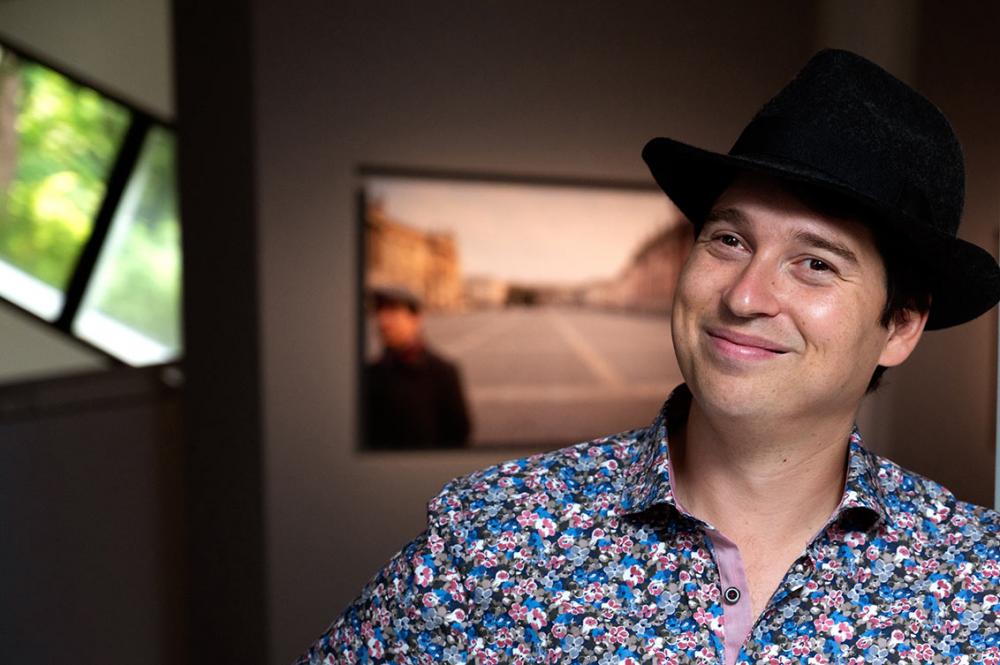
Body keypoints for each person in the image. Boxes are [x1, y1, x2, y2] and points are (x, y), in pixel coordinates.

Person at [300, 49, 1000, 663]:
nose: (746, 294)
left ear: (901, 325)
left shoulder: (979, 581)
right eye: (729, 240)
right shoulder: (489, 540)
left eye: (815, 262)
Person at [364, 285, 471, 449]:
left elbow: (459, 435)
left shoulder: (443, 372)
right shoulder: (370, 374)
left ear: (416, 319)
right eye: (379, 311)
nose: (382, 321)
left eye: (392, 311)